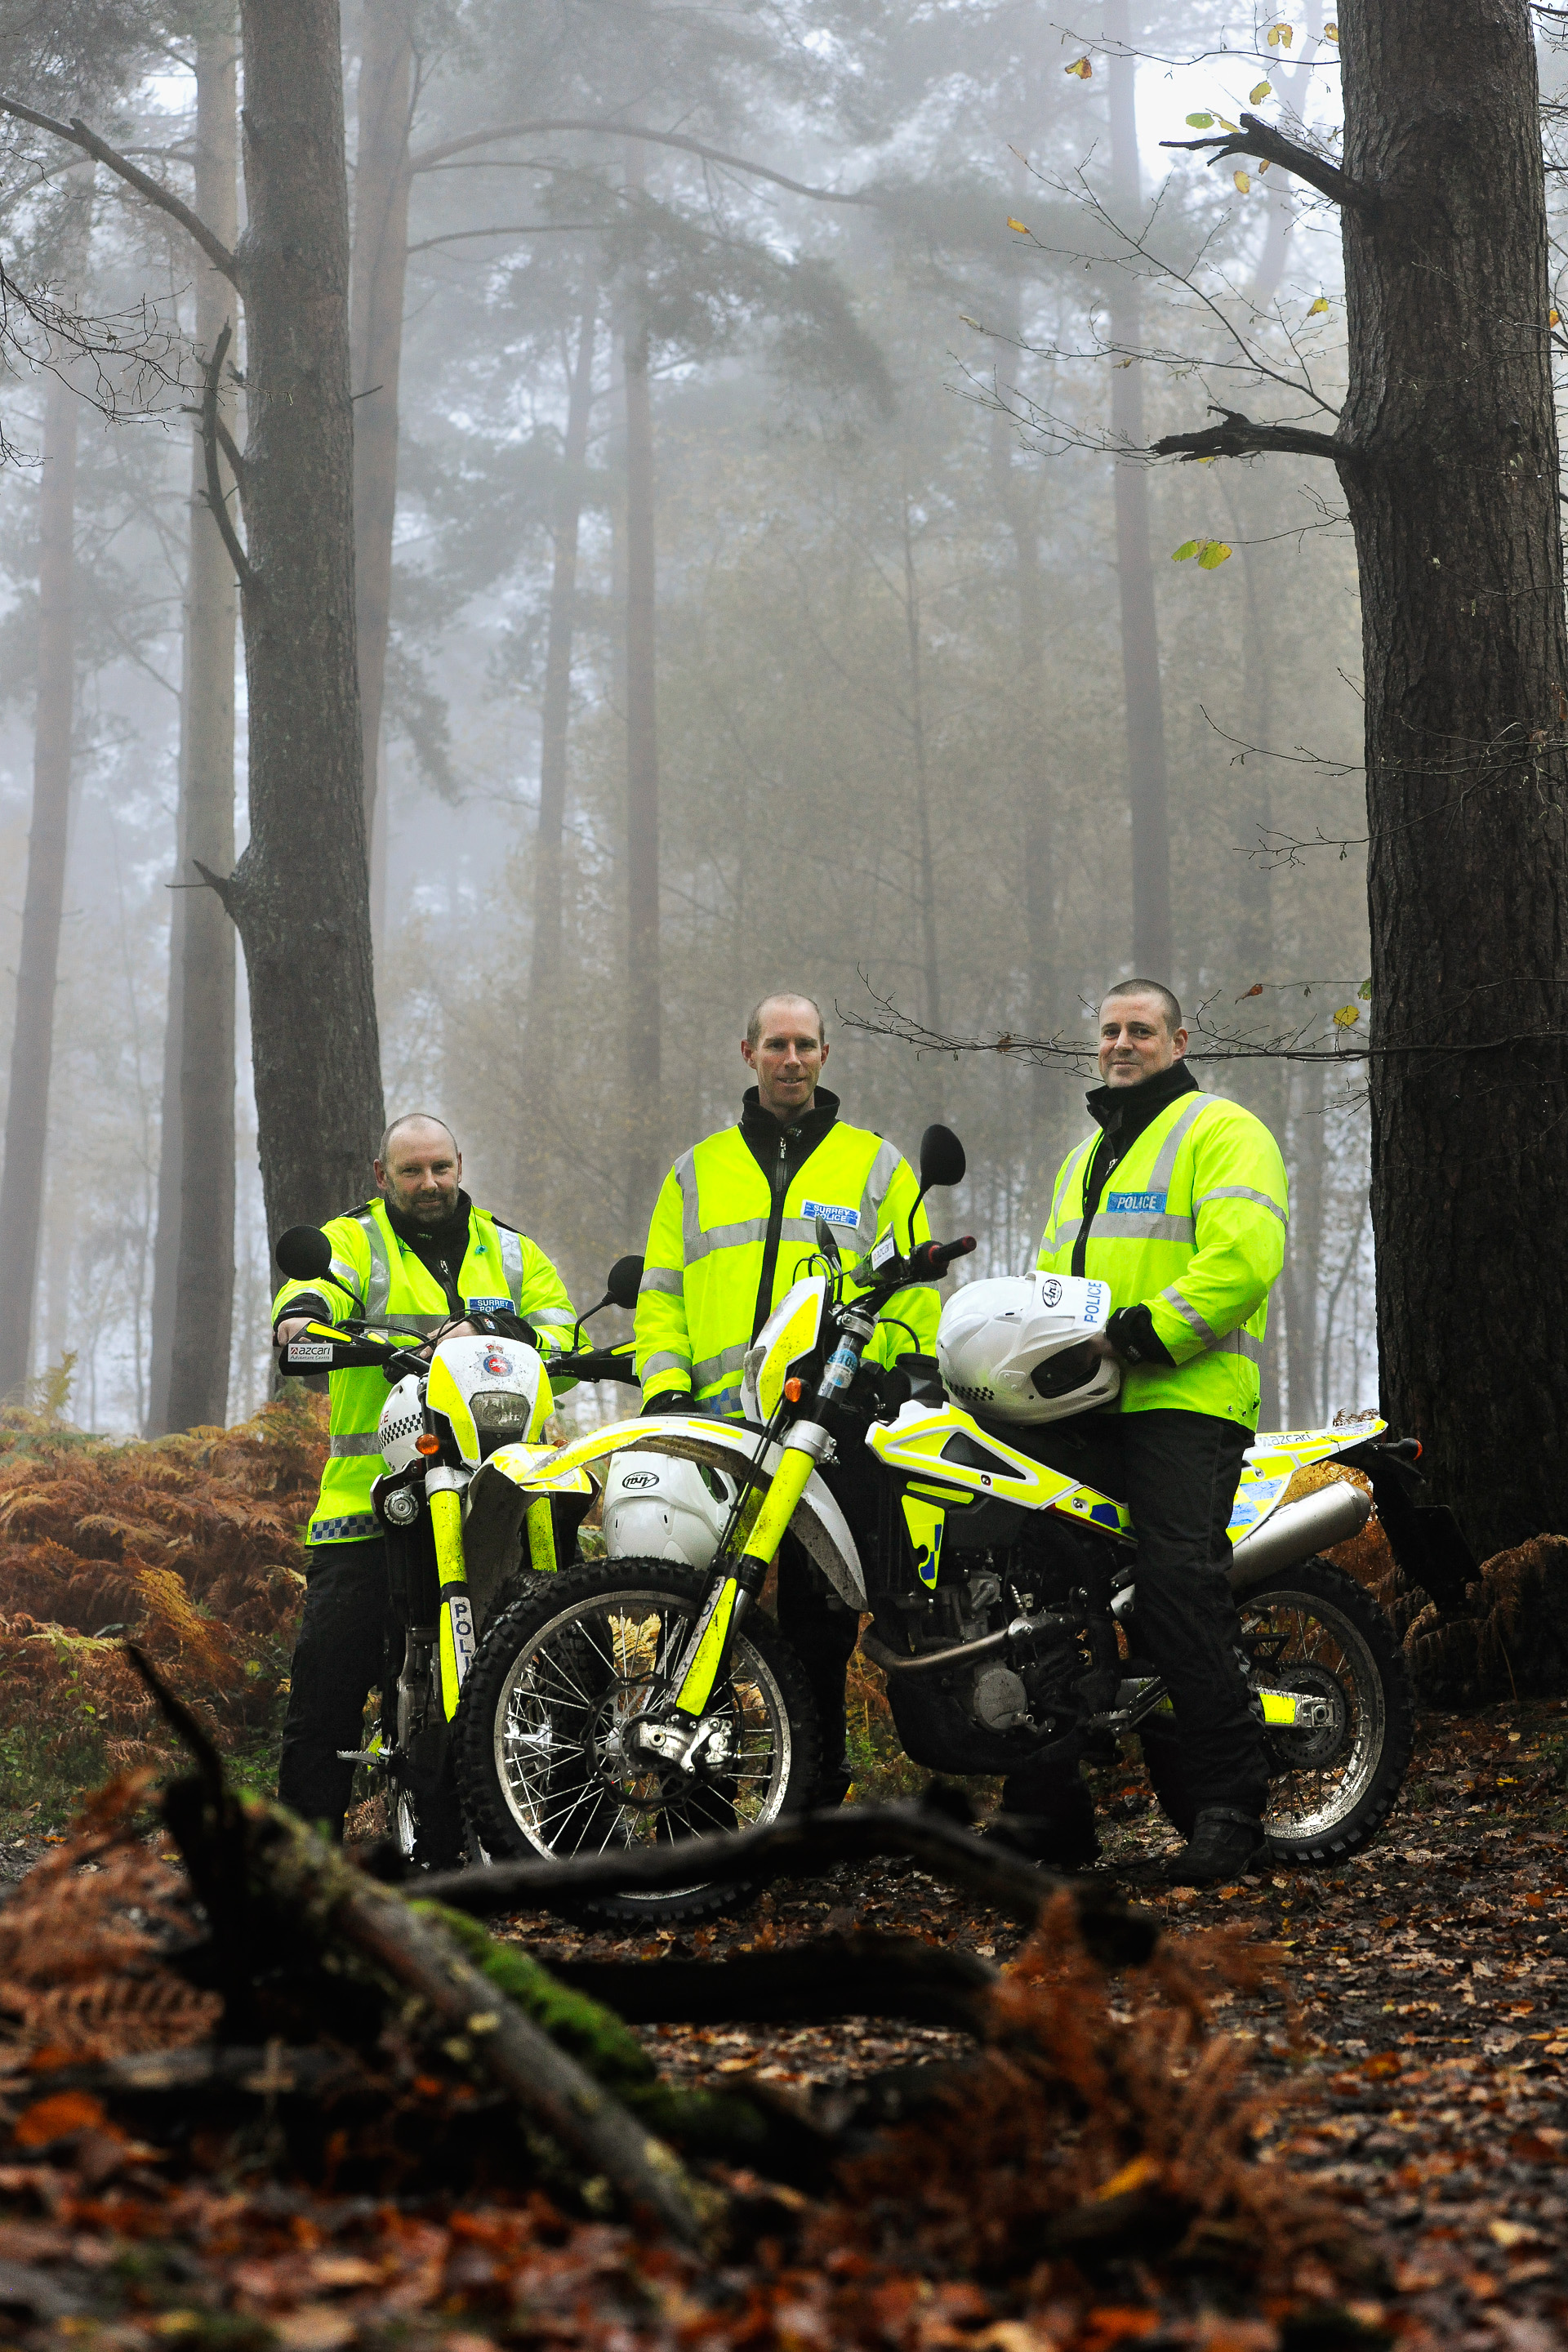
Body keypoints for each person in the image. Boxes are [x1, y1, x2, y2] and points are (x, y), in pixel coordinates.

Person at [1004, 978, 1289, 1886]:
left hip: (1188, 1398)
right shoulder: (1086, 1159)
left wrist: (1144, 1330)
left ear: (1178, 1040)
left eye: (1140, 1030)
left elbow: (1242, 1261)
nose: (1122, 1044)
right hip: (1087, 1408)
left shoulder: (1221, 1130)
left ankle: (1230, 1804)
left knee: (1176, 1587)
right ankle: (1047, 1812)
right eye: (1110, 1031)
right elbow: (1051, 1290)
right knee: (1036, 1585)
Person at [634, 991, 938, 1801]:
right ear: (748, 1054)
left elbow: (913, 1291)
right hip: (712, 1427)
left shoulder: (876, 1166)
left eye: (805, 1045)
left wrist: (890, 1372)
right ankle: (698, 1798)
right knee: (697, 1617)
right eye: (777, 1045)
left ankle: (811, 1789)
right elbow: (659, 1299)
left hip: (826, 1426)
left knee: (819, 1623)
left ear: (825, 1056)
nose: (792, 1059)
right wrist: (664, 1390)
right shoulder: (695, 1172)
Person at [271, 1112, 577, 1838]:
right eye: (411, 1171)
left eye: (440, 1167)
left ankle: (564, 1838)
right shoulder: (352, 1240)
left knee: (553, 1671)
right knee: (327, 1693)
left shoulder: (511, 1250)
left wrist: (499, 1332)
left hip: (498, 1506)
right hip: (368, 1509)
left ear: (461, 1165)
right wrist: (302, 1319)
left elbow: (566, 1329)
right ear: (383, 1177)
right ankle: (298, 1870)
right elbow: (304, 1298)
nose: (429, 1183)